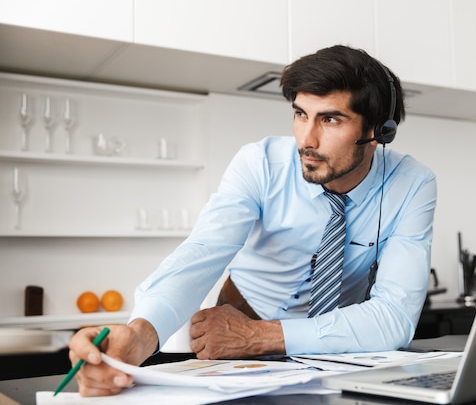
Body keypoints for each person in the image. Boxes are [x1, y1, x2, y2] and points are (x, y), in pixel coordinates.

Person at [68, 45, 437, 396]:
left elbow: (393, 316)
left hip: (339, 340)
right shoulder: (259, 163)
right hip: (238, 318)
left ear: (377, 132)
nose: (307, 139)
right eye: (300, 114)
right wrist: (141, 334)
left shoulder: (412, 184)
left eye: (330, 119)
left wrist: (263, 336)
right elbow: (203, 251)